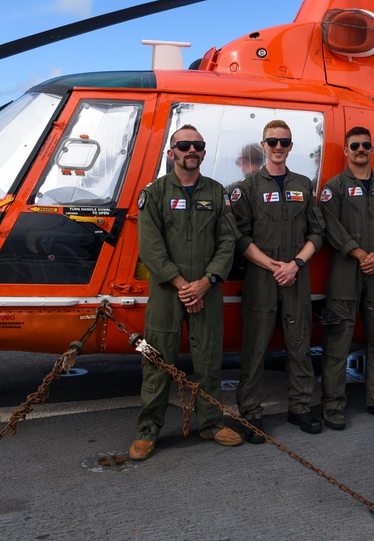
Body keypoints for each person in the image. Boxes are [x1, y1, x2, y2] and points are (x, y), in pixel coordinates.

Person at [130, 124, 242, 461]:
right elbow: (150, 247)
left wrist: (206, 281)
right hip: (168, 291)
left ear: (204, 152)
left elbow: (228, 241)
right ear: (172, 152)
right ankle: (148, 431)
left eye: (197, 145)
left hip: (206, 289)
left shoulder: (217, 192)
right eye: (183, 146)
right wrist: (182, 285)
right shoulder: (156, 193)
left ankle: (210, 423)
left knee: (209, 359)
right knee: (156, 361)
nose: (190, 151)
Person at [231, 120, 325, 441]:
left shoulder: (304, 185)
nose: (278, 147)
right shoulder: (248, 188)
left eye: (284, 141)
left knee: (300, 345)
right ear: (263, 144)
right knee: (255, 348)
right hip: (262, 278)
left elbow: (317, 231)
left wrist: (296, 263)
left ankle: (300, 407)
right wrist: (273, 266)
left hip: (296, 276)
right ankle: (251, 415)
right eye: (272, 141)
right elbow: (240, 237)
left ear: (291, 146)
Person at [319, 127, 374, 428]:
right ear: (346, 151)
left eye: (365, 145)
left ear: (372, 149)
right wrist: (358, 253)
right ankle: (333, 405)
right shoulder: (334, 187)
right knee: (338, 339)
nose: (360, 150)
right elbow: (330, 226)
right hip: (346, 272)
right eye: (354, 145)